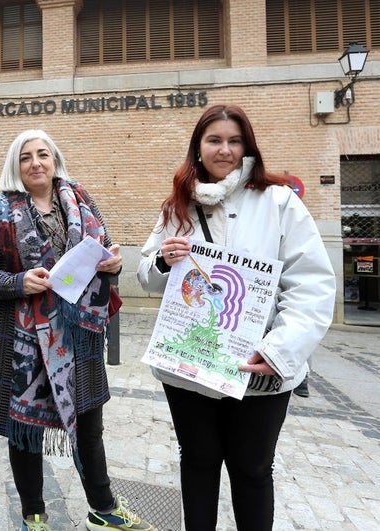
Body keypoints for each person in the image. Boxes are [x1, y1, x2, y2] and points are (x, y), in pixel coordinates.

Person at [137, 104, 335, 531]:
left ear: (247, 146)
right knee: (198, 463)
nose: (223, 149)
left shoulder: (279, 201)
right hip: (190, 365)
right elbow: (146, 274)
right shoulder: (177, 206)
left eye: (233, 140)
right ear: (198, 147)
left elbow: (312, 285)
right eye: (214, 140)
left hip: (257, 367)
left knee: (252, 470)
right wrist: (163, 262)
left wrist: (280, 351)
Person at [0, 129, 154, 531]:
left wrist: (113, 264)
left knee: (89, 425)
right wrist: (18, 283)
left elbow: (107, 251)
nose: (36, 163)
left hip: (78, 334)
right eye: (25, 157)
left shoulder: (84, 205)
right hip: (20, 340)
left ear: (54, 159)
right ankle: (33, 514)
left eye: (43, 154)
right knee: (25, 432)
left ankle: (103, 509)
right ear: (14, 166)